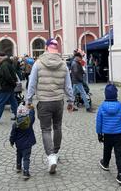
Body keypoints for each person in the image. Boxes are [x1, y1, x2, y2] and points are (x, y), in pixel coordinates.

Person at [26, 38, 74, 174]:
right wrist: (71, 101)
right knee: (57, 127)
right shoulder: (63, 64)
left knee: (46, 129)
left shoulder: (38, 63)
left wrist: (28, 100)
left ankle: (51, 157)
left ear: (47, 48)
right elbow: (68, 86)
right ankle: (56, 152)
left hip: (44, 102)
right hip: (58, 101)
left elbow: (32, 83)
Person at [96, 84, 121, 186]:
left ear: (105, 94)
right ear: (116, 94)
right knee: (119, 155)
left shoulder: (102, 107)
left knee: (107, 150)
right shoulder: (120, 106)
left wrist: (99, 134)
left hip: (107, 135)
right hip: (118, 135)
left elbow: (99, 122)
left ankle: (105, 163)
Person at [0, 55, 18, 124]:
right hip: (8, 87)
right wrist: (13, 84)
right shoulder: (7, 63)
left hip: (4, 87)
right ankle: (18, 116)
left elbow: (7, 76)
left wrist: (13, 83)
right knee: (13, 103)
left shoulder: (4, 65)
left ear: (0, 58)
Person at [10, 105, 36, 180]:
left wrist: (11, 141)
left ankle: (18, 166)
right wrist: (32, 109)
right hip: (27, 145)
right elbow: (32, 115)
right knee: (26, 158)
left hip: (19, 145)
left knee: (18, 155)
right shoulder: (29, 121)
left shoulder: (15, 124)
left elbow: (12, 135)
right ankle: (26, 172)